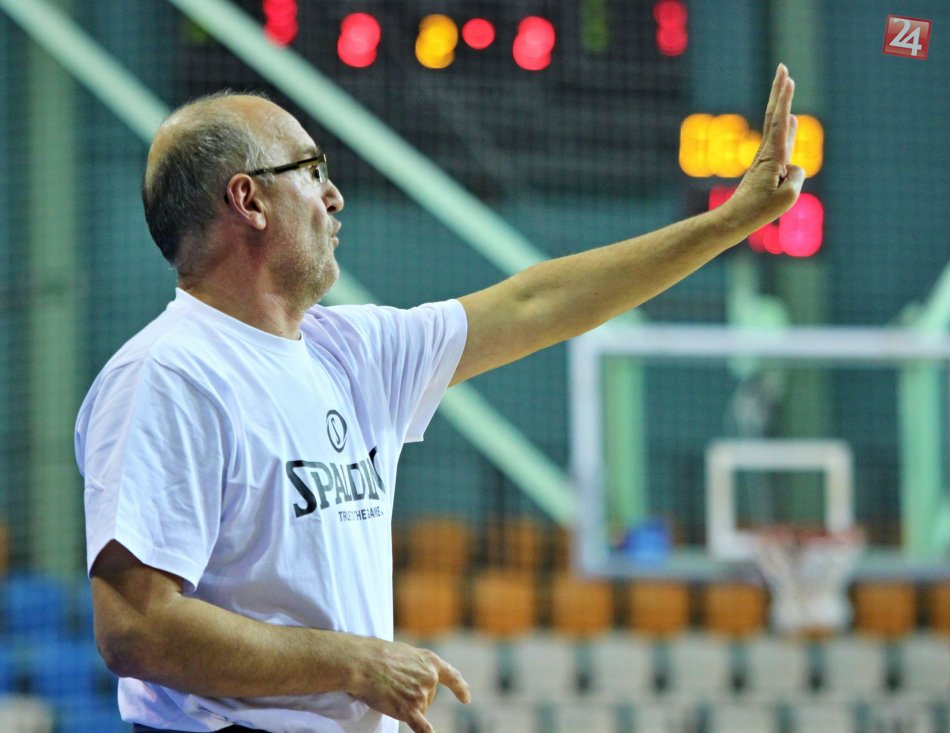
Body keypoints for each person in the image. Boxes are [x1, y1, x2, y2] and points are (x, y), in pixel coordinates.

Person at [76, 65, 803, 733]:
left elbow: (535, 301)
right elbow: (138, 629)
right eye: (311, 170)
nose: (333, 195)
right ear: (249, 200)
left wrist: (729, 221)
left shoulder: (347, 349)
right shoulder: (169, 375)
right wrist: (353, 663)